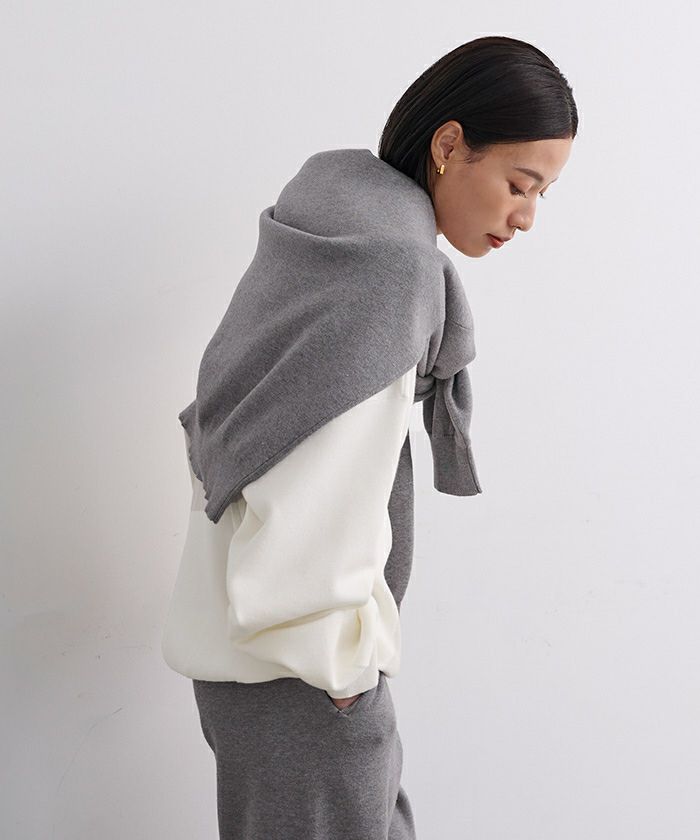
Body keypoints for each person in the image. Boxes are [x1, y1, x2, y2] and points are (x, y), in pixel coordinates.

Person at [161, 34, 577, 840]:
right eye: (519, 184)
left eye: (542, 195)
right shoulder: (389, 272)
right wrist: (344, 675)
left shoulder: (327, 225)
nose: (526, 217)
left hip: (248, 668)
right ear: (449, 145)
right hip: (306, 682)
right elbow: (316, 490)